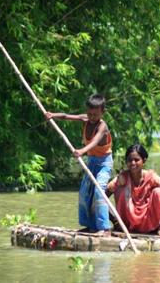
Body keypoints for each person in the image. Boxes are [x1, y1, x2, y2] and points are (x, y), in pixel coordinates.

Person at [45, 94, 113, 236]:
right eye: (89, 113)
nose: (92, 117)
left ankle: (104, 228)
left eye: (95, 114)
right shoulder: (86, 119)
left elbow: (94, 141)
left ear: (102, 112)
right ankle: (90, 226)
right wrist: (53, 115)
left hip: (104, 163)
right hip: (92, 162)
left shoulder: (103, 127)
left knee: (99, 192)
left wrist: (82, 150)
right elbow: (66, 116)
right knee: (84, 193)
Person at [106, 144, 160, 235]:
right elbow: (101, 198)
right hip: (127, 226)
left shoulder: (152, 177)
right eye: (130, 160)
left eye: (136, 160)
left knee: (159, 192)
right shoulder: (122, 178)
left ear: (144, 161)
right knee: (120, 190)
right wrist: (115, 221)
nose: (133, 163)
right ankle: (123, 224)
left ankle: (157, 227)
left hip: (151, 224)